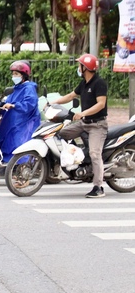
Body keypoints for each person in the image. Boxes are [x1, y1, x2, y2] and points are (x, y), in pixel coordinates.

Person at [51, 54, 108, 198]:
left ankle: (98, 187)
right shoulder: (84, 83)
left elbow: (101, 104)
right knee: (60, 134)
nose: (78, 67)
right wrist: (53, 103)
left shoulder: (99, 83)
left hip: (97, 125)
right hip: (84, 124)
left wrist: (83, 113)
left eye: (80, 65)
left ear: (85, 68)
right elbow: (70, 96)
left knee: (95, 154)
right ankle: (77, 159)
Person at [0, 61, 40, 184]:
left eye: (16, 74)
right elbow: (8, 102)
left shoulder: (29, 88)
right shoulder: (16, 88)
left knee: (19, 145)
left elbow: (29, 104)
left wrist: (14, 106)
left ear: (23, 75)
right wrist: (1, 106)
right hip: (12, 121)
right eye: (13, 74)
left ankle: (24, 175)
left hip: (24, 123)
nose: (13, 76)